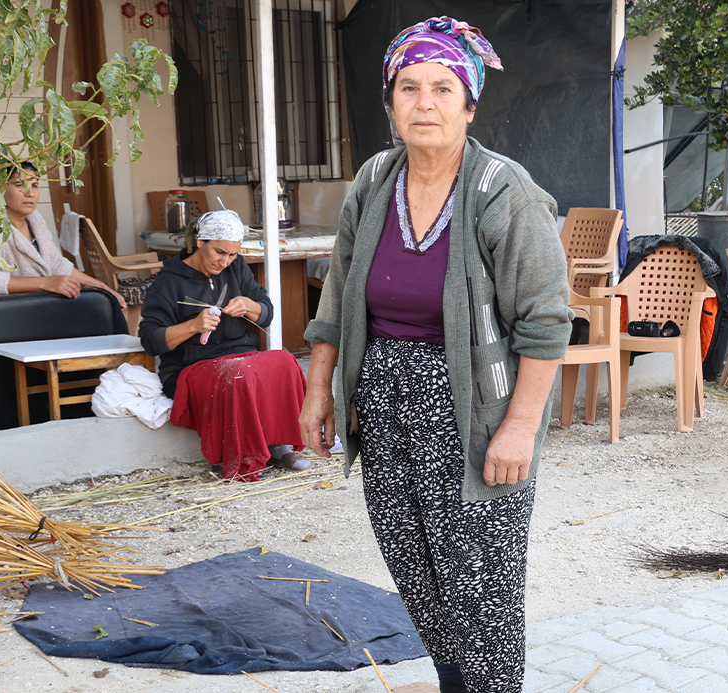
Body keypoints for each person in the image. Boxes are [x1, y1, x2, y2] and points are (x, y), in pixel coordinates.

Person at [297, 17, 571, 693]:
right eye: (409, 87)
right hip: (384, 404)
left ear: (470, 103)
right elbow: (335, 294)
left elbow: (546, 321)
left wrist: (519, 425)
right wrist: (318, 388)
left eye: (443, 88)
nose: (425, 102)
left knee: (482, 578)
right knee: (414, 565)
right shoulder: (373, 181)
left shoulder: (505, 192)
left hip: (475, 410)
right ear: (389, 102)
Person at [138, 210, 309, 481]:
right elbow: (150, 340)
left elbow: (266, 312)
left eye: (232, 254)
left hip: (242, 356)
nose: (225, 261)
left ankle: (279, 444)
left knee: (285, 362)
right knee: (238, 376)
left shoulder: (236, 268)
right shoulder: (168, 282)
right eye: (219, 252)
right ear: (199, 242)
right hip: (191, 368)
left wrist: (248, 306)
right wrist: (192, 326)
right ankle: (242, 454)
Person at [0, 162, 126, 308]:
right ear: (0, 189)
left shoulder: (34, 220)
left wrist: (102, 287)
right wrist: (45, 283)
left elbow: (55, 263)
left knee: (106, 305)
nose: (30, 193)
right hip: (13, 313)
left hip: (45, 304)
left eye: (34, 185)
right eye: (20, 184)